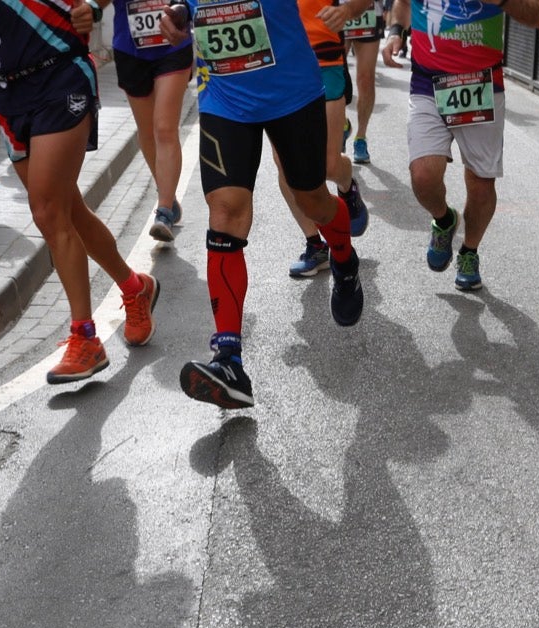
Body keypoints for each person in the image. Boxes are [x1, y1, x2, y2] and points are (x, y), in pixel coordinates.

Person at [0, 0, 161, 384]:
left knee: (48, 212)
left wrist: (93, 6)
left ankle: (85, 338)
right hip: (8, 95)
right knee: (68, 212)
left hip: (59, 75)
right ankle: (134, 287)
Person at [159, 0, 364, 410]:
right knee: (225, 211)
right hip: (224, 96)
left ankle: (344, 257)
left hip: (292, 92)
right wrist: (179, 14)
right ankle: (228, 359)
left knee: (312, 199)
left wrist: (351, 9)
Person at [382, 0, 539, 291]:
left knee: (481, 184)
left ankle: (469, 250)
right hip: (427, 82)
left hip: (482, 83)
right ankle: (444, 220)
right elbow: (403, 3)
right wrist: (396, 31)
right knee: (423, 175)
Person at [281, 0, 370, 280]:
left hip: (324, 59)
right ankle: (315, 245)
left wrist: (346, 11)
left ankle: (346, 184)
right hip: (278, 65)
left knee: (328, 166)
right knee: (285, 166)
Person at [101, 0, 192, 242]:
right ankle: (167, 194)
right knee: (148, 130)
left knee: (164, 128)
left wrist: (184, 10)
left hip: (173, 46)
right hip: (129, 48)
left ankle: (164, 211)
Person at [343, 0, 386, 164]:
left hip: (368, 10)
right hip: (336, 9)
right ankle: (341, 124)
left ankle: (360, 137)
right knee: (335, 73)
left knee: (366, 78)